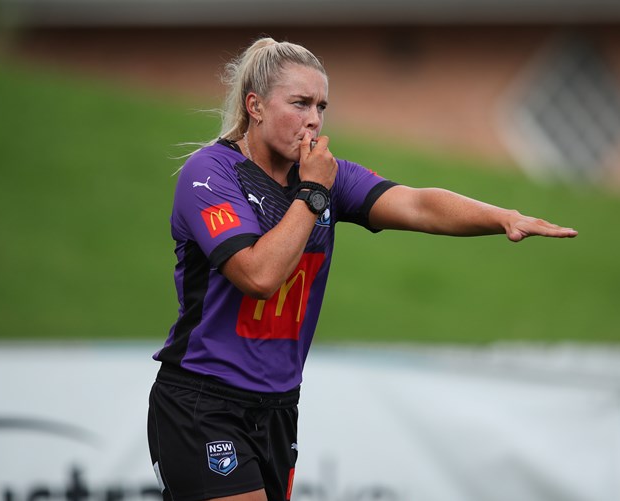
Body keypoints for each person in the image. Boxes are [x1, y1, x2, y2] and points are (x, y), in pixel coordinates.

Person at [147, 37, 577, 501]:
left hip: (277, 408)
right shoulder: (211, 174)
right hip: (203, 400)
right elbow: (259, 277)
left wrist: (502, 218)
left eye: (321, 106)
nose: (314, 119)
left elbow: (417, 204)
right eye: (300, 103)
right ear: (255, 106)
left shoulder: (326, 175)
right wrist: (313, 193)